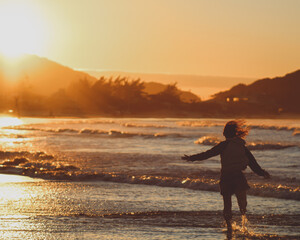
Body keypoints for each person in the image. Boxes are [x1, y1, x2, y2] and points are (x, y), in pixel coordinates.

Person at [181, 120, 270, 234]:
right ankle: (243, 226)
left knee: (227, 204)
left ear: (226, 133)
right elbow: (252, 163)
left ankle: (229, 227)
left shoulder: (224, 145)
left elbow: (208, 154)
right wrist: (262, 173)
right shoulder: (242, 146)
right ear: (235, 133)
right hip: (238, 177)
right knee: (242, 204)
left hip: (226, 177)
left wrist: (191, 158)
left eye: (224, 131)